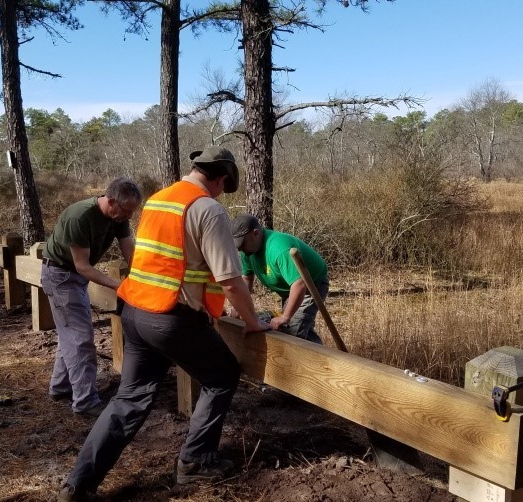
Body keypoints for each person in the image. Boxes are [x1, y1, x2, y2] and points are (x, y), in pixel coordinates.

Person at [57, 146, 270, 501]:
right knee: (221, 376)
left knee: (129, 398)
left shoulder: (158, 200)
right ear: (220, 179)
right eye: (223, 186)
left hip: (134, 311)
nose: (221, 192)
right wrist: (253, 322)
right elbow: (230, 279)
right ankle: (195, 462)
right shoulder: (208, 209)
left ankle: (77, 484)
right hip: (169, 316)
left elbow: (165, 261)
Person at [41, 177, 142, 417]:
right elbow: (82, 266)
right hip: (61, 275)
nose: (129, 216)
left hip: (73, 276)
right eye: (126, 210)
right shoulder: (80, 217)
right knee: (80, 339)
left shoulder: (119, 217)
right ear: (111, 200)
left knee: (71, 333)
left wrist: (143, 279)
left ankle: (60, 386)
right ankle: (85, 401)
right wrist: (119, 286)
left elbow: (131, 252)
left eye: (132, 212)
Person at [230, 213, 329, 344]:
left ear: (256, 233)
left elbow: (299, 284)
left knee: (293, 332)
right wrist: (239, 306)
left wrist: (285, 316)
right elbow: (246, 279)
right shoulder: (248, 252)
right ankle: (322, 362)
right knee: (302, 329)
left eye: (243, 244)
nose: (241, 249)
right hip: (290, 287)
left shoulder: (279, 248)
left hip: (311, 284)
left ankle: (302, 363)